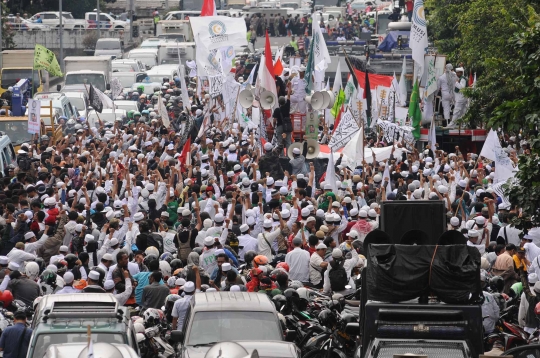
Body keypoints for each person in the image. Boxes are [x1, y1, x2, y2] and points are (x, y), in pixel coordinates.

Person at [172, 265, 201, 330]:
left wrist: (173, 331)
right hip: (193, 330)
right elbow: (198, 285)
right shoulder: (197, 299)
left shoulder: (177, 302)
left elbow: (174, 318)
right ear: (194, 291)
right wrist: (196, 272)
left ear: (184, 291)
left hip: (180, 330)